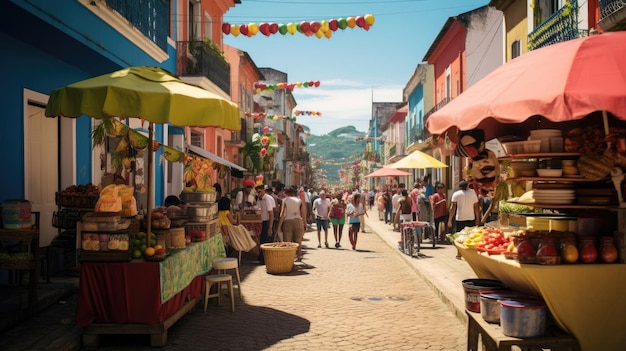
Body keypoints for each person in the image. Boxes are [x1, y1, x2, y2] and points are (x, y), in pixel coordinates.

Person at [276, 186, 307, 261]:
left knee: (287, 241)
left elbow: (282, 213)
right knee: (298, 240)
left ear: (285, 192)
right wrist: (304, 223)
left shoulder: (285, 200)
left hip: (288, 221)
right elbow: (303, 212)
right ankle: (299, 256)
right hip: (298, 220)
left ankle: (289, 258)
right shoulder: (299, 200)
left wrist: (279, 226)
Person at [255, 184, 275, 264]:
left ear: (263, 190)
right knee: (262, 241)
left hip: (268, 222)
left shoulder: (267, 199)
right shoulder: (260, 199)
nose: (258, 193)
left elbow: (271, 214)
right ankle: (262, 259)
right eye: (257, 192)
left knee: (266, 241)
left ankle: (266, 259)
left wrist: (270, 227)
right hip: (263, 221)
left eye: (259, 192)